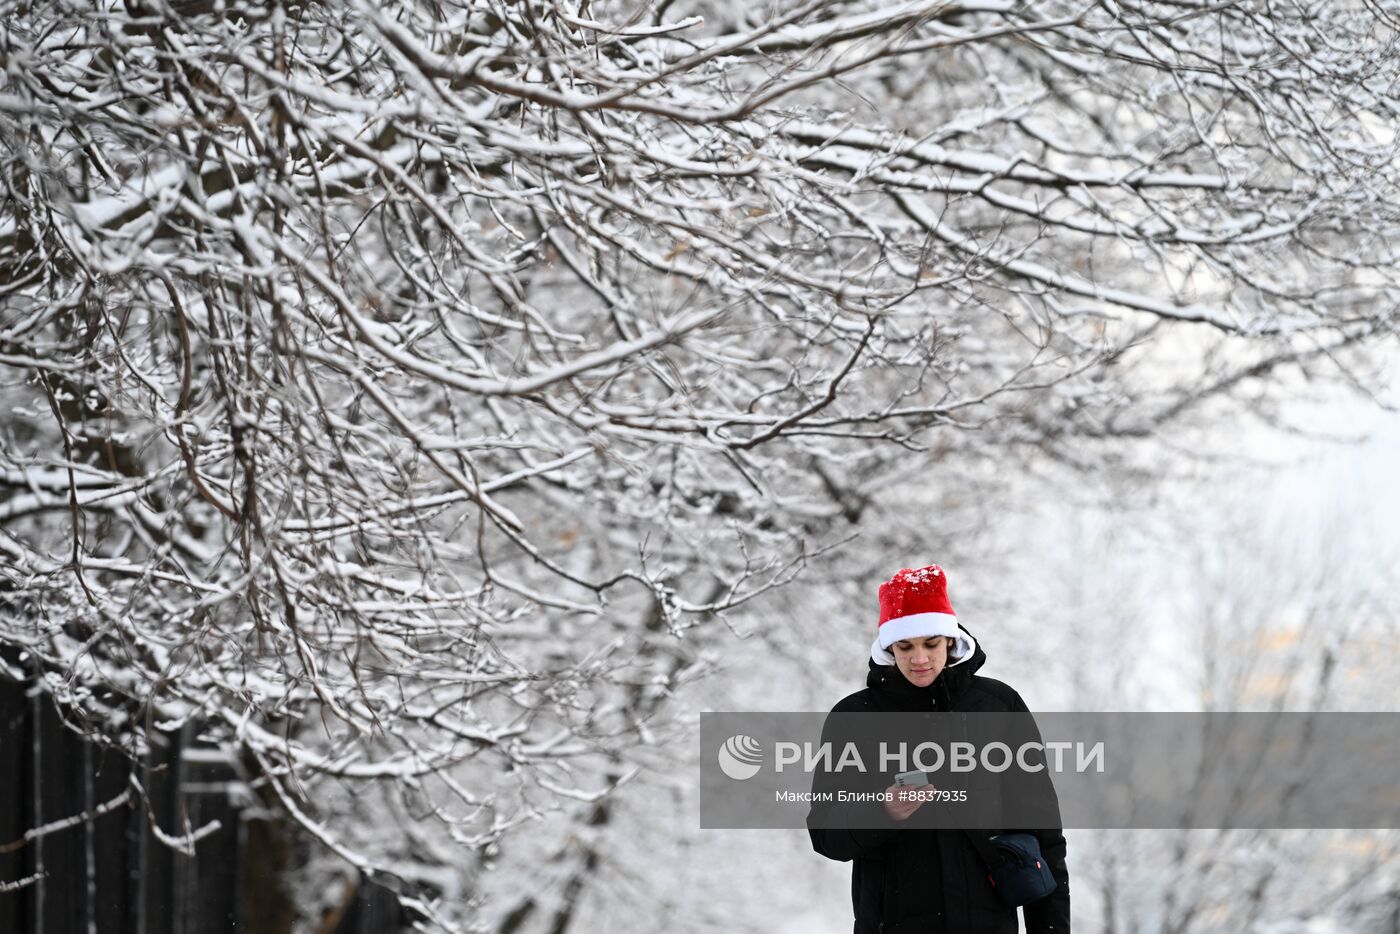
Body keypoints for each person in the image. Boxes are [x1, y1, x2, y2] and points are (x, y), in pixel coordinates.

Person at [807, 564, 1070, 934]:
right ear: (887, 646)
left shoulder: (998, 706)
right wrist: (883, 811)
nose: (919, 659)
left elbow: (1044, 834)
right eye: (905, 646)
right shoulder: (853, 717)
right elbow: (825, 834)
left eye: (930, 644)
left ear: (950, 639)